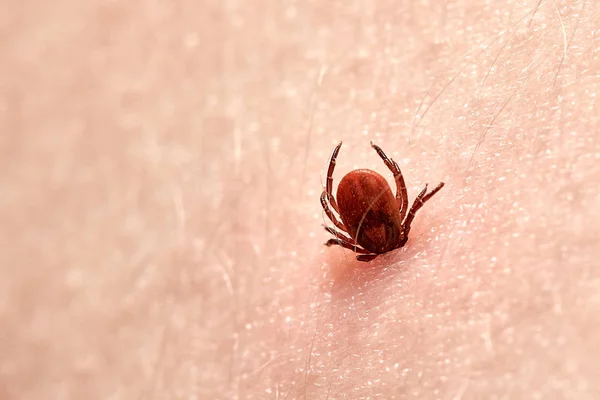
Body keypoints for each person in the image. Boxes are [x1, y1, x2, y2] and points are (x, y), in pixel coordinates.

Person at [2, 0, 598, 398]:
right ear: (371, 232)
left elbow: (337, 209)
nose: (386, 241)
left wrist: (366, 225)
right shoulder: (388, 218)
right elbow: (382, 201)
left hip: (355, 188)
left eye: (382, 235)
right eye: (380, 236)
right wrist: (395, 210)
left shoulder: (361, 228)